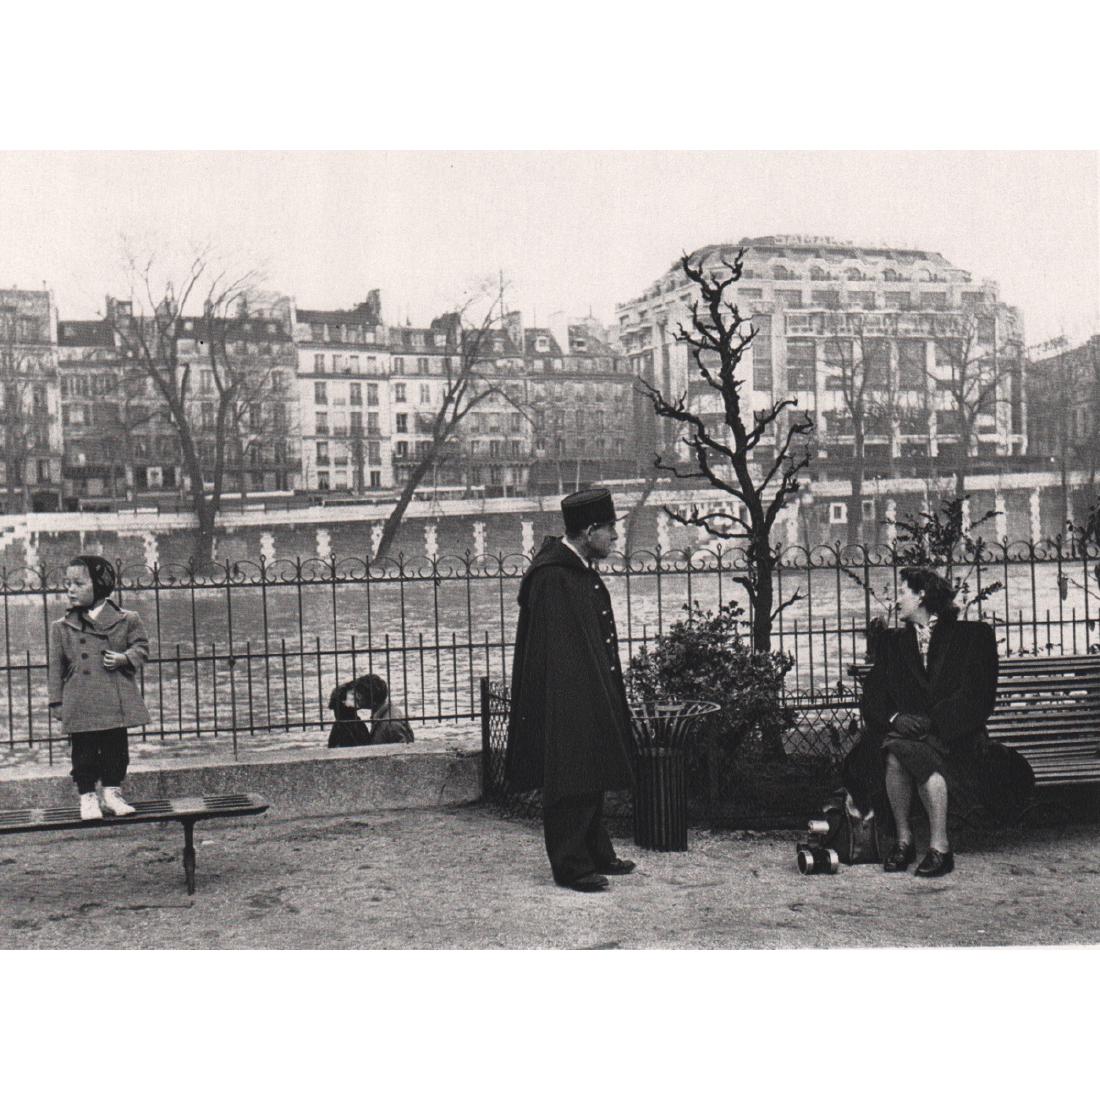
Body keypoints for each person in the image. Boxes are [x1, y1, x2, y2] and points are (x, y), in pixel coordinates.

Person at [505, 487, 636, 892]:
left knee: (591, 767)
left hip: (586, 687)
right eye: (609, 529)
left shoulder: (573, 570)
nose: (615, 537)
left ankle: (596, 852)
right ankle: (571, 866)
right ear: (589, 531)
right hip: (566, 694)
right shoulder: (553, 576)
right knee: (570, 774)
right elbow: (556, 652)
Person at [857, 565, 1005, 877]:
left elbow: (978, 696)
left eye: (903, 592)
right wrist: (896, 718)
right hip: (908, 736)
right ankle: (923, 844)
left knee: (900, 753)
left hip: (956, 736)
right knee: (899, 752)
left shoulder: (972, 636)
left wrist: (931, 724)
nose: (897, 600)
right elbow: (873, 696)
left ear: (922, 595)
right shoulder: (892, 642)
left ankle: (921, 843)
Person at [48, 555, 151, 820]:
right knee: (83, 754)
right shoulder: (61, 627)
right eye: (67, 584)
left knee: (116, 751)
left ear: (100, 585)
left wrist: (124, 658)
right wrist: (56, 702)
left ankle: (112, 794)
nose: (70, 590)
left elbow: (141, 647)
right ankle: (88, 798)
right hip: (80, 700)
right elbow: (55, 668)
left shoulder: (127, 619)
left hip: (114, 699)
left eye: (78, 583)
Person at [327, 673, 414, 748]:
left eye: (360, 695)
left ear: (372, 701)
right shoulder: (385, 716)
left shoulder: (391, 723)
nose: (357, 697)